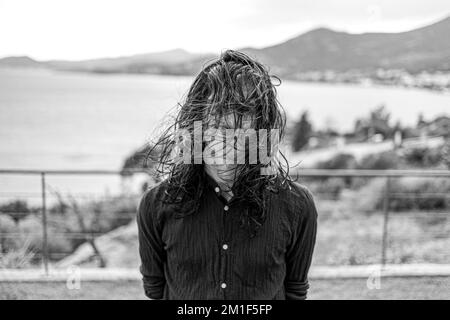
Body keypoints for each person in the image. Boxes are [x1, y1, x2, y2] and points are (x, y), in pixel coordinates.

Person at [137, 50, 318, 300]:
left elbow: (295, 290)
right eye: (218, 121)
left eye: (242, 119)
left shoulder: (297, 205)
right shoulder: (156, 204)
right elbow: (155, 289)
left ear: (261, 129)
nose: (227, 140)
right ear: (195, 125)